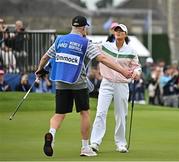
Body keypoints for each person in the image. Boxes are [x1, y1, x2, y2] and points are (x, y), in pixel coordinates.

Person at [35, 16, 133, 157]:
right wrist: (123, 71)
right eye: (85, 27)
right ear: (82, 28)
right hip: (78, 82)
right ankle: (85, 147)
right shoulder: (85, 43)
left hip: (61, 82)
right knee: (84, 113)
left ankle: (51, 134)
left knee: (59, 114)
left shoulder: (59, 40)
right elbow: (103, 59)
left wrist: (40, 70)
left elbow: (45, 58)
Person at [90, 24, 141, 153]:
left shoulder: (131, 51)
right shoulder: (104, 46)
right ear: (113, 33)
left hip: (122, 85)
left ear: (125, 34)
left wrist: (137, 73)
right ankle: (95, 142)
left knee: (121, 114)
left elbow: (137, 67)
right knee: (101, 112)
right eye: (116, 30)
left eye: (121, 31)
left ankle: (121, 143)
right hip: (106, 83)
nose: (118, 32)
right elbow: (90, 46)